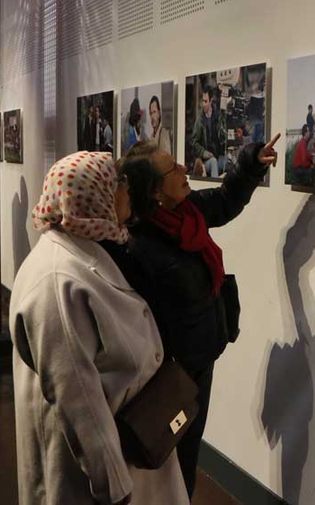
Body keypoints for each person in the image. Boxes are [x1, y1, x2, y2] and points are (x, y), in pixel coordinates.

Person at [10, 151, 188, 505]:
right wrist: (114, 486)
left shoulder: (84, 249)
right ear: (91, 193)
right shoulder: (56, 278)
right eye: (117, 183)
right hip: (100, 471)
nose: (125, 190)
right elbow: (76, 395)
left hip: (131, 439)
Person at [118, 133, 281, 498]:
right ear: (155, 192)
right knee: (162, 461)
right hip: (167, 376)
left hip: (201, 361)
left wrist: (251, 162)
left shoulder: (188, 213)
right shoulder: (139, 246)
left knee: (187, 455)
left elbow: (226, 200)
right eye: (172, 168)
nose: (182, 169)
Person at [189, 86, 227, 178]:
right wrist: (204, 153)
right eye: (203, 101)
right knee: (213, 161)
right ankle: (215, 188)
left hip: (218, 157)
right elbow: (193, 142)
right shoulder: (200, 121)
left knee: (231, 162)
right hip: (205, 162)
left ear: (211, 101)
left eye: (206, 101)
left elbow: (223, 137)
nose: (203, 104)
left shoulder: (218, 117)